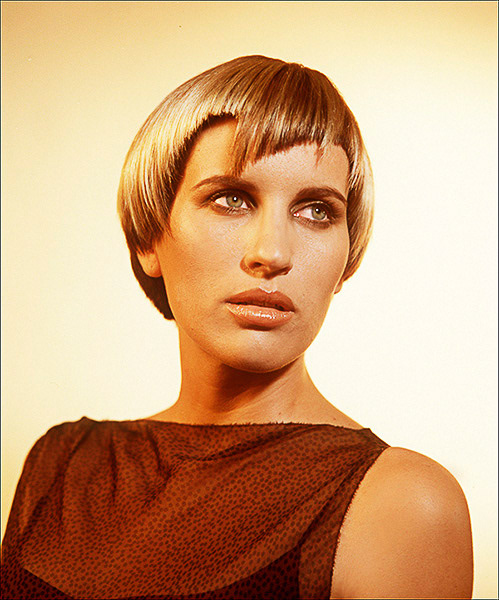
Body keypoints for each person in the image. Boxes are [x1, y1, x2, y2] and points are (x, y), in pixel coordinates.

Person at [1, 55, 473, 599]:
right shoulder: (63, 464)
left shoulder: (400, 504)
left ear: (346, 260)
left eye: (317, 211)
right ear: (150, 236)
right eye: (232, 199)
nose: (272, 253)